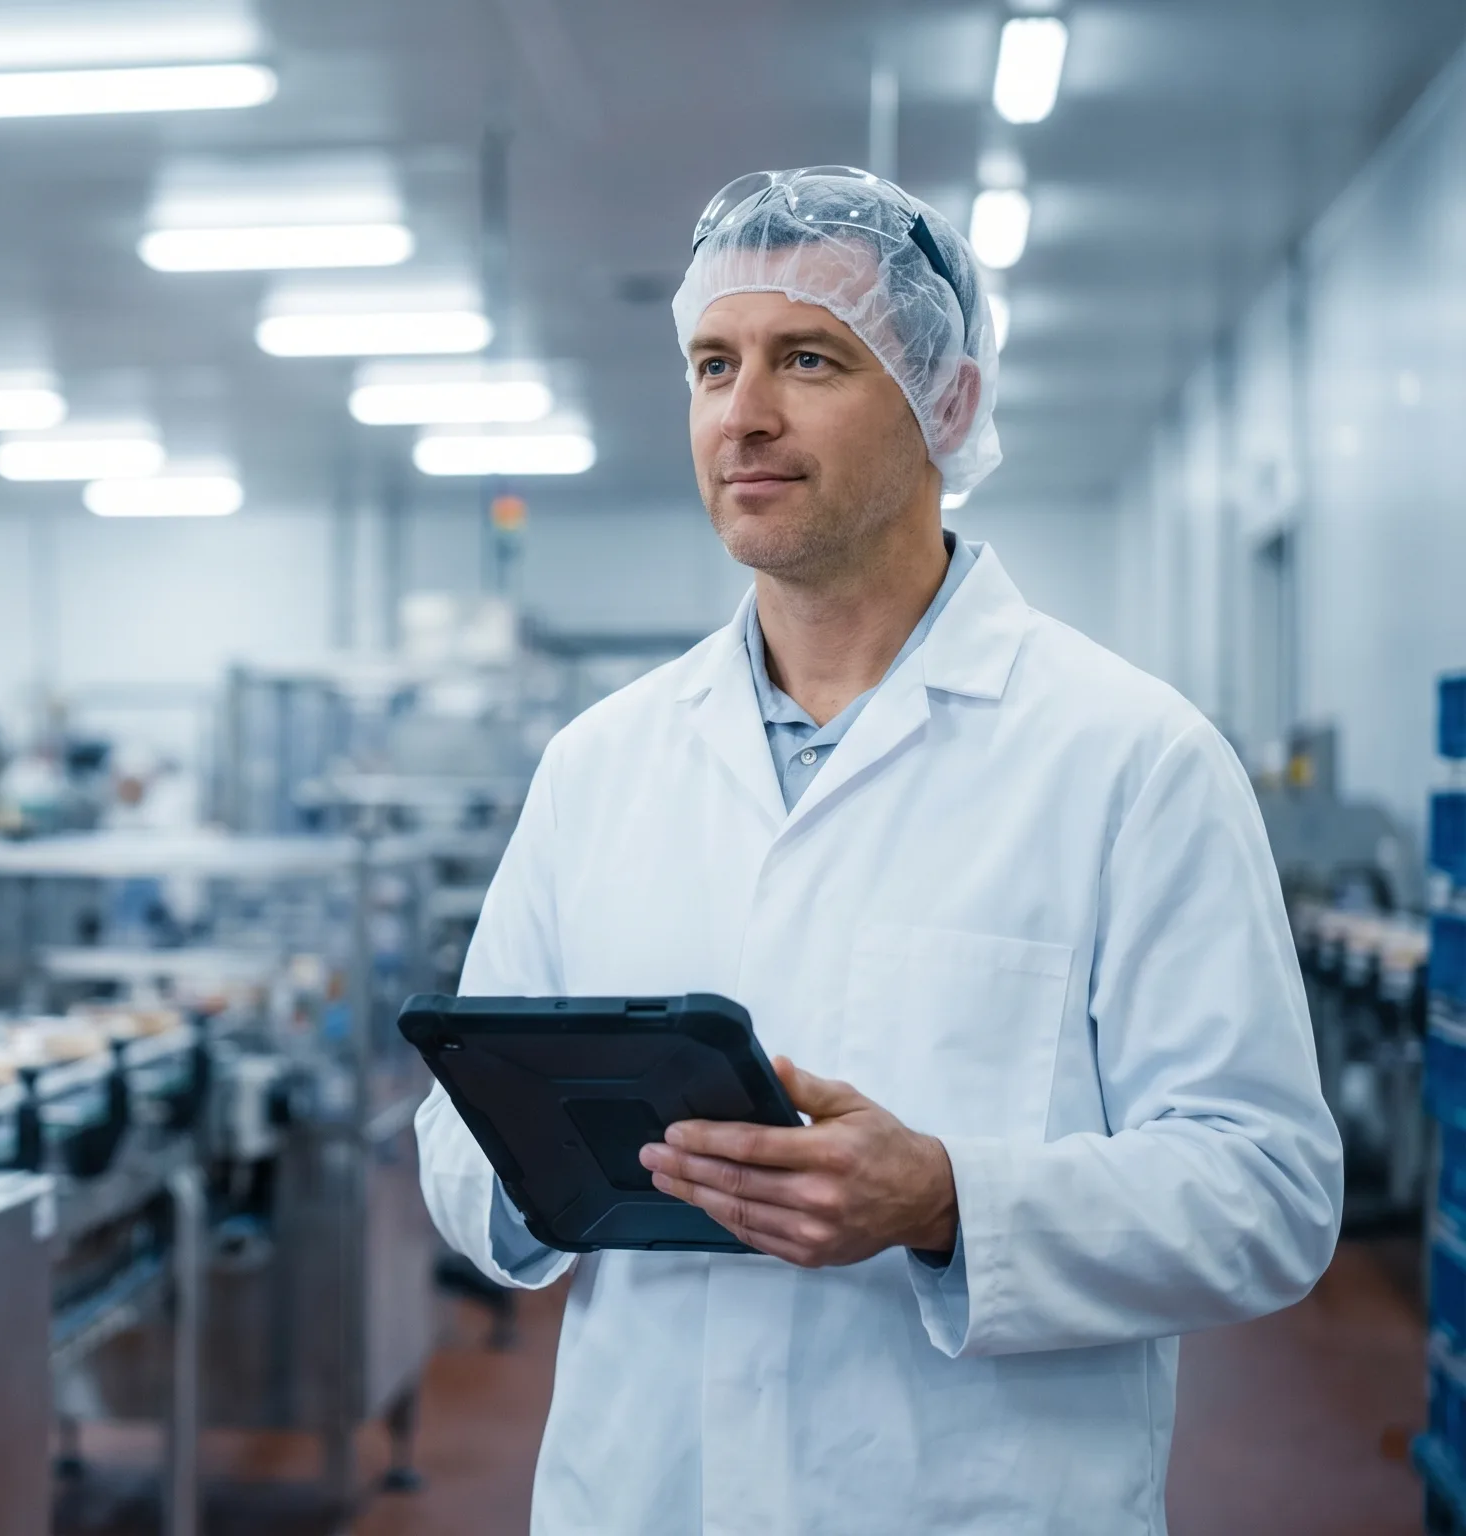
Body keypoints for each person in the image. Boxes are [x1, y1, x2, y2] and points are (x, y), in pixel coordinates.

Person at [415, 167, 1342, 1533]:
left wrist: (947, 1199)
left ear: (946, 405)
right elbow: (456, 1131)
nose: (743, 413)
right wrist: (545, 1166)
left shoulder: (1130, 758)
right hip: (645, 1493)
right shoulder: (599, 765)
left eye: (809, 359)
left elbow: (1267, 1191)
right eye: (712, 363)